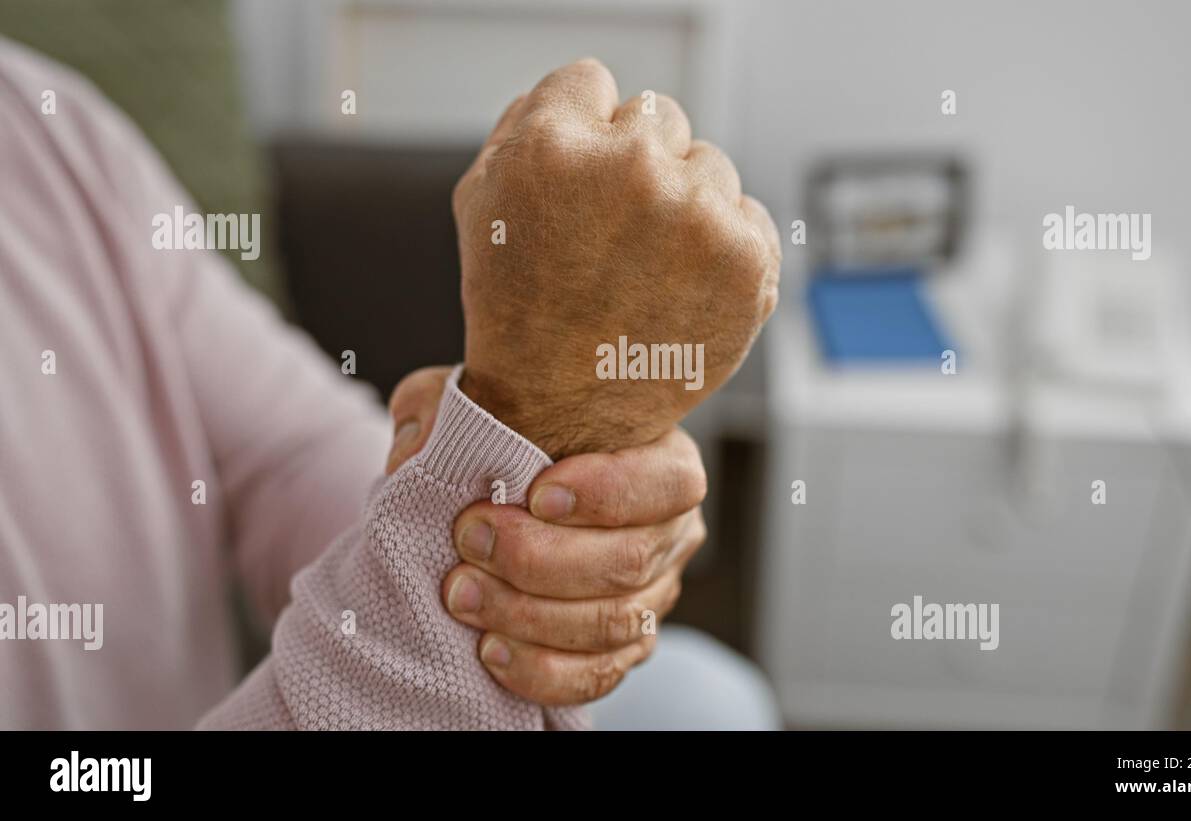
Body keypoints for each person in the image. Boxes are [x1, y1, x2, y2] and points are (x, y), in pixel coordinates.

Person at [0, 39, 781, 729]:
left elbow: (288, 451)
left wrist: (539, 541)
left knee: (710, 698)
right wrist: (520, 444)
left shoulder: (43, 128)